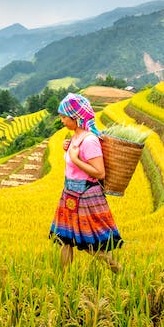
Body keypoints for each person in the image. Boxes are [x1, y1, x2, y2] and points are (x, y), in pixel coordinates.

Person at [49, 93, 123, 272]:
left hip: (85, 197)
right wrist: (68, 150)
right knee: (64, 239)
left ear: (76, 117)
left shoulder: (90, 140)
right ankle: (63, 278)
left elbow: (99, 172)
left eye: (64, 117)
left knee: (92, 246)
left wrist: (75, 159)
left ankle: (122, 272)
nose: (61, 121)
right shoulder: (75, 137)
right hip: (69, 195)